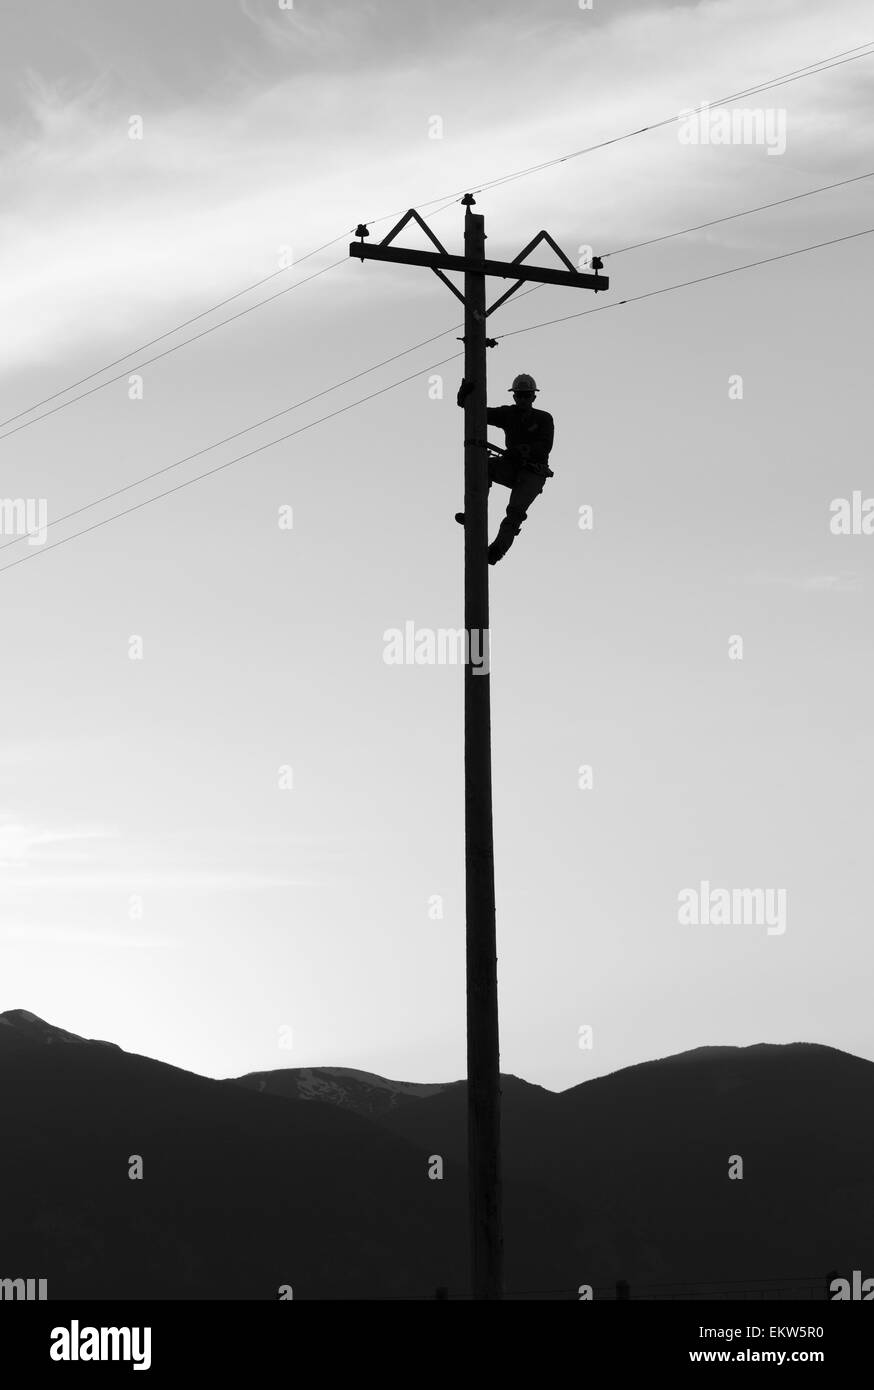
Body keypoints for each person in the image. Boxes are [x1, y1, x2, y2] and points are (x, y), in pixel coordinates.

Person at [455, 373, 554, 564]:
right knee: (483, 467)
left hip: (533, 473)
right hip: (513, 468)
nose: (523, 399)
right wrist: (464, 398)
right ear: (514, 396)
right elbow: (478, 413)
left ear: (534, 397)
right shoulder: (508, 414)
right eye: (520, 395)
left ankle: (497, 551)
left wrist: (523, 449)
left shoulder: (544, 418)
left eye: (527, 395)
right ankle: (473, 513)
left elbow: (544, 446)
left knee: (515, 512)